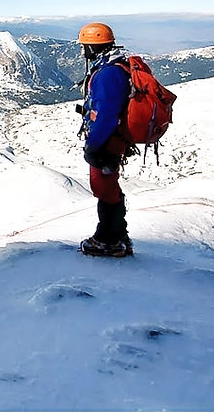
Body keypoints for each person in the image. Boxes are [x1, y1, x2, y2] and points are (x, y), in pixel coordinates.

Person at [76, 22, 134, 257]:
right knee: (108, 187)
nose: (82, 51)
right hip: (113, 139)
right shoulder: (113, 66)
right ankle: (118, 234)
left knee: (104, 188)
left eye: (84, 46)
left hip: (108, 141)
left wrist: (94, 145)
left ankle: (108, 240)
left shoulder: (108, 73)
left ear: (92, 46)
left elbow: (107, 115)